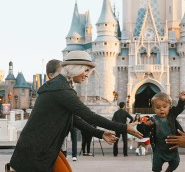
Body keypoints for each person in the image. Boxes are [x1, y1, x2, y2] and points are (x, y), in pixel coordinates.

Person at [8, 51, 142, 172]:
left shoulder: (61, 86)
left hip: (44, 148)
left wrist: (100, 134)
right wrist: (123, 127)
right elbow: (89, 116)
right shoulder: (61, 90)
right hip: (36, 150)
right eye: (86, 70)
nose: (87, 75)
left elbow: (74, 119)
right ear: (76, 68)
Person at [147, 91, 185, 172]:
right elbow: (146, 129)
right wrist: (147, 125)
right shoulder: (153, 119)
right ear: (153, 109)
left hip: (172, 147)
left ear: (170, 107)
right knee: (156, 167)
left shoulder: (172, 115)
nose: (161, 109)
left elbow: (179, 108)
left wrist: (182, 100)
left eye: (165, 107)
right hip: (159, 149)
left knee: (175, 162)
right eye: (158, 108)